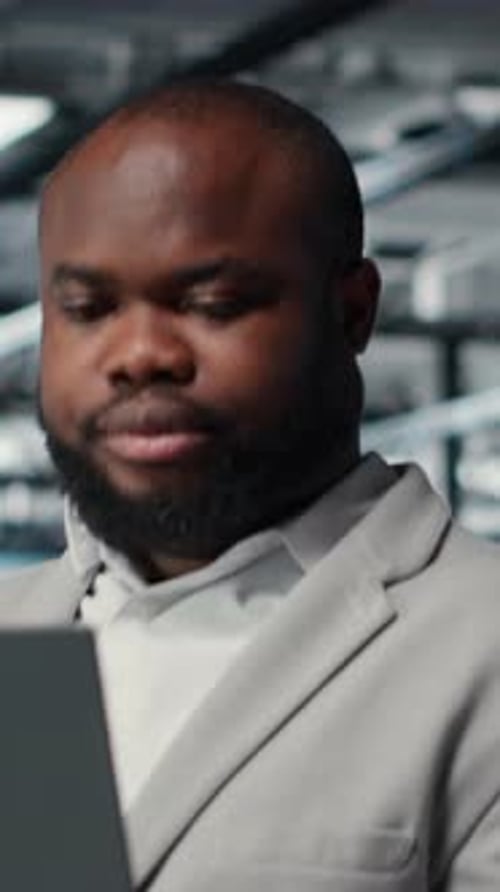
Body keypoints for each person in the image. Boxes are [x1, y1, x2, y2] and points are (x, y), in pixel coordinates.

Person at [1, 78, 499, 891]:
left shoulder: (479, 641)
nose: (140, 354)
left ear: (352, 314)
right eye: (89, 307)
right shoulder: (23, 638)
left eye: (213, 302)